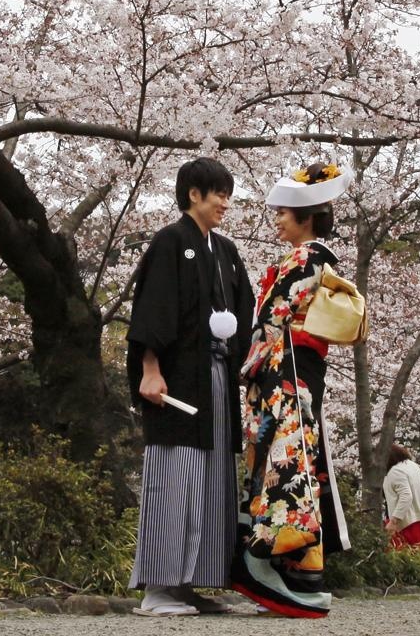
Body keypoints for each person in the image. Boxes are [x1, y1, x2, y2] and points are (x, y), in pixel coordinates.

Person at [127, 158, 255, 617]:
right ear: (192, 195)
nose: (225, 201)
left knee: (214, 477)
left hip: (217, 378)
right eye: (217, 192)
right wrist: (150, 368)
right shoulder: (170, 241)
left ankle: (192, 583)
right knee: (176, 473)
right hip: (178, 376)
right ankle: (159, 587)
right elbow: (153, 309)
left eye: (227, 192)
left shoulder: (225, 250)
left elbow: (243, 312)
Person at [232, 162, 354, 617]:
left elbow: (273, 320)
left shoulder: (307, 258)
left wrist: (247, 366)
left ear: (307, 216)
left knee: (289, 459)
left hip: (288, 373)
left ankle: (272, 548)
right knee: (292, 458)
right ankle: (298, 572)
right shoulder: (309, 258)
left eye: (284, 213)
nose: (278, 220)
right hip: (295, 369)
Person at [382, 444, 420, 558]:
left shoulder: (395, 472)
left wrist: (393, 521)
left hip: (404, 523)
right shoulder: (415, 466)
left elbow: (406, 496)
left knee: (402, 558)